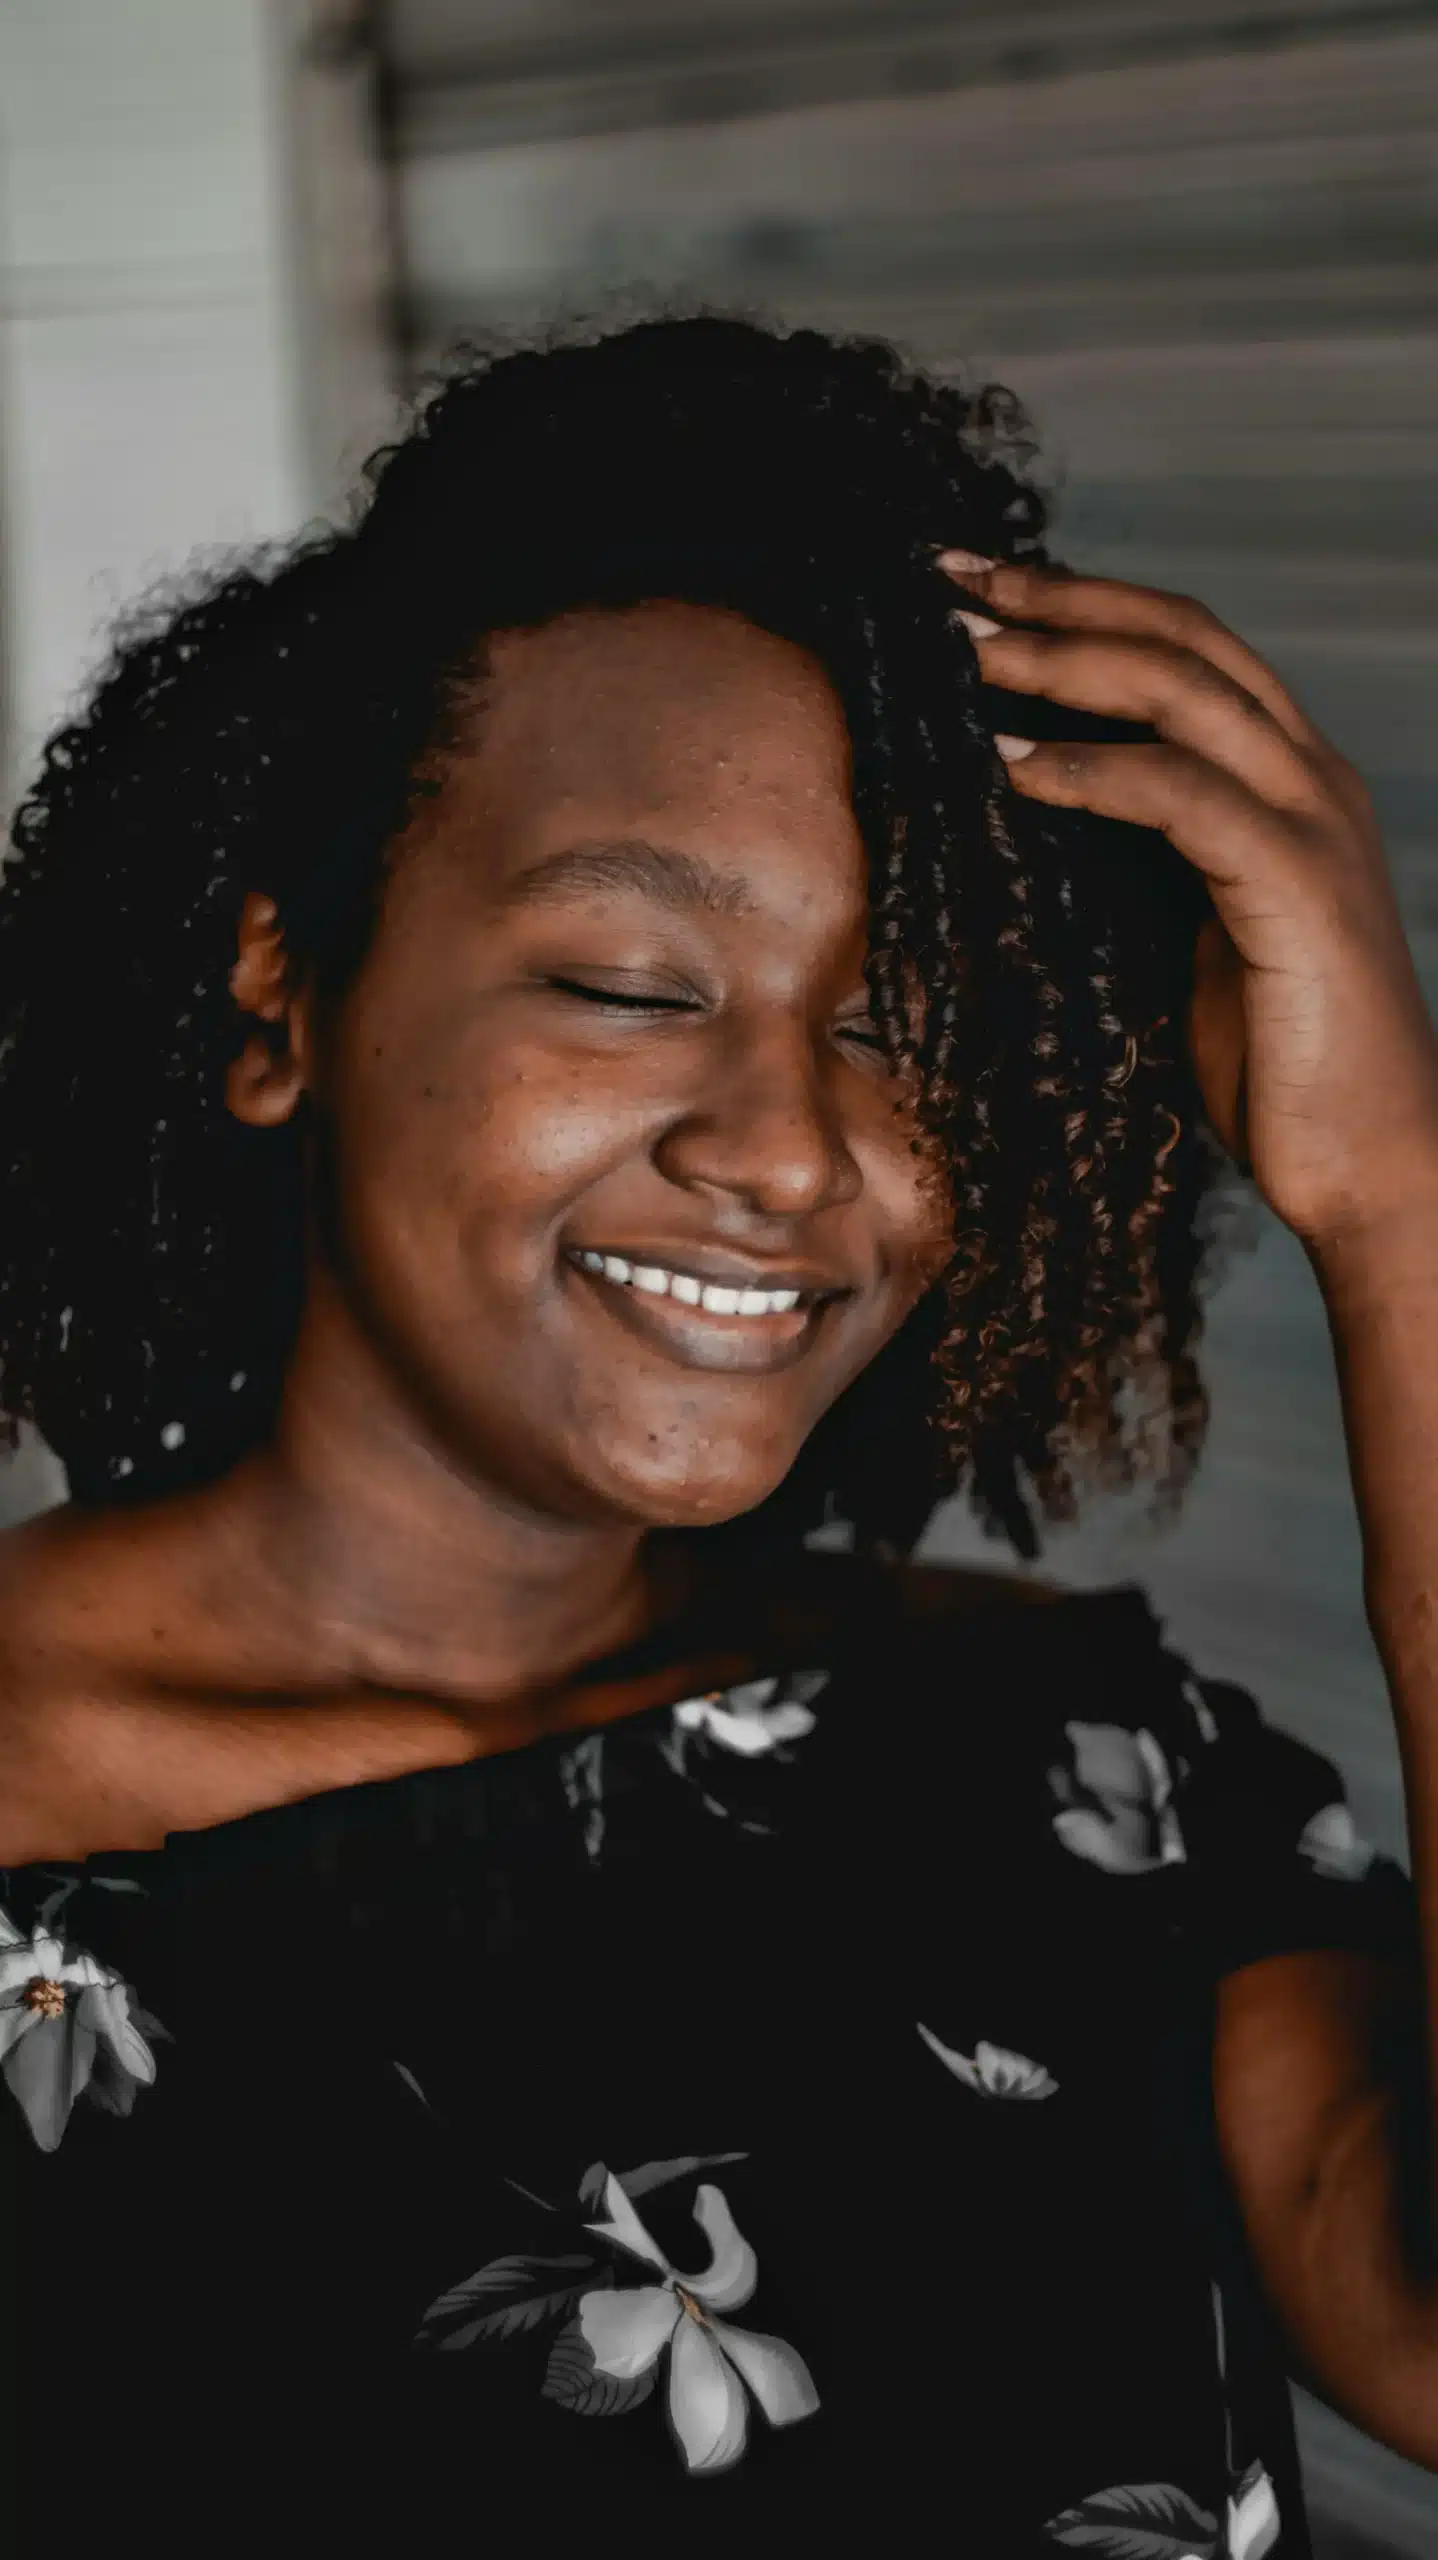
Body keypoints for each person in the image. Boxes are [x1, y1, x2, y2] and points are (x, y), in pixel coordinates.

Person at [0, 315, 1434, 2555]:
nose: (789, 1147)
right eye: (628, 984)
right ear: (278, 1000)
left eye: (901, 1026)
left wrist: (1393, 1212)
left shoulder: (1090, 1767)